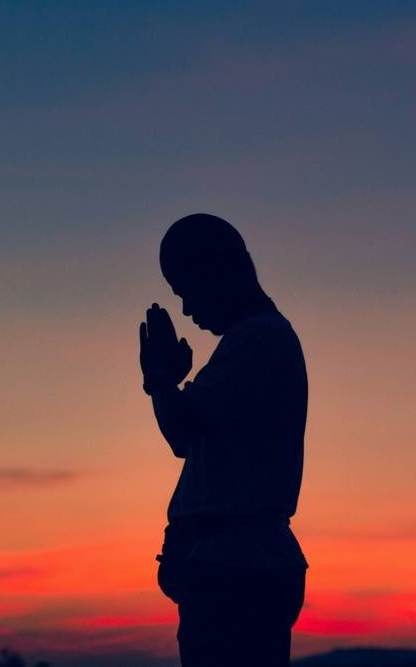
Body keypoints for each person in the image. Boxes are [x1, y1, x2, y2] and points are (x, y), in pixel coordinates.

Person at [138, 213, 309, 666]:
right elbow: (188, 435)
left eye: (186, 291)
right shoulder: (252, 340)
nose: (188, 310)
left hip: (237, 573)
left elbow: (180, 432)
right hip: (233, 567)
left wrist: (160, 383)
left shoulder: (258, 339)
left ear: (217, 270)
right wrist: (163, 384)